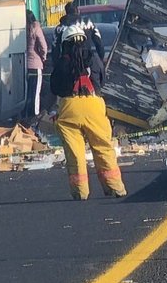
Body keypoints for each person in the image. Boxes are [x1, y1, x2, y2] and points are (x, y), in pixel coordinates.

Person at [50, 25, 125, 200]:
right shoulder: (94, 59)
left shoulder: (63, 62)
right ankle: (115, 188)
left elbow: (55, 88)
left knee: (75, 154)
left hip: (70, 108)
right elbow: (102, 80)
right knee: (103, 148)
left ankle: (81, 192)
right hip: (94, 106)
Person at [24, 10, 48, 123]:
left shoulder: (22, 31)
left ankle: (26, 115)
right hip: (36, 64)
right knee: (36, 93)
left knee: (28, 92)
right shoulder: (36, 28)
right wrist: (43, 58)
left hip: (24, 65)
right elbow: (44, 46)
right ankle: (35, 117)